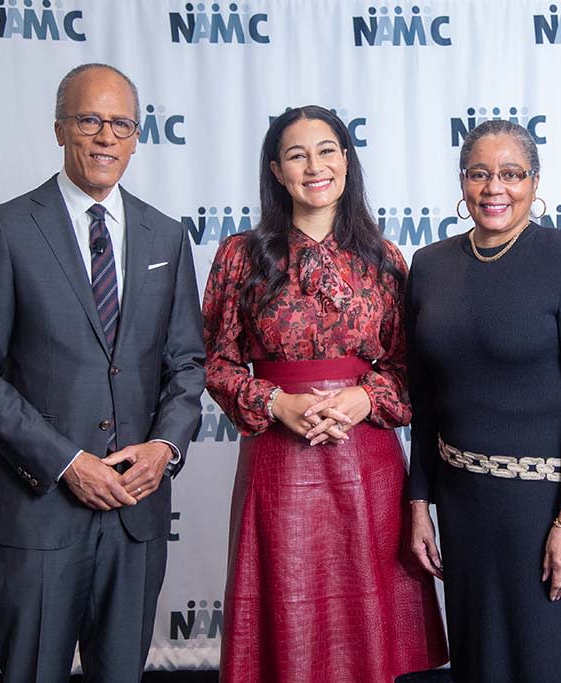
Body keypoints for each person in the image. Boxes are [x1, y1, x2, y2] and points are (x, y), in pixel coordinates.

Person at [0, 63, 205, 682]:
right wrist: (67, 462)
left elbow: (187, 363)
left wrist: (165, 447)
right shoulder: (7, 229)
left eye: (121, 124)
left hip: (135, 511)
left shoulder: (166, 236)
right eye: (89, 120)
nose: (105, 137)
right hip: (41, 509)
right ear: (60, 129)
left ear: (138, 136)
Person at [202, 105, 448, 683]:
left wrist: (367, 398)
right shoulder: (241, 255)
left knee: (366, 630)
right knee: (287, 618)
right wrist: (275, 403)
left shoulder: (385, 259)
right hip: (279, 461)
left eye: (327, 150)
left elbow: (411, 365)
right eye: (297, 154)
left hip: (367, 462)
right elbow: (214, 361)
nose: (315, 166)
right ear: (276, 171)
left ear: (346, 160)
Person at [406, 119, 561, 683]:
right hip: (460, 501)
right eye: (480, 173)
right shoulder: (429, 266)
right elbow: (424, 399)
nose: (494, 188)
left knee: (540, 661)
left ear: (535, 181)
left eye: (511, 173)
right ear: (462, 181)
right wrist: (418, 501)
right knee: (477, 661)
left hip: (542, 509)